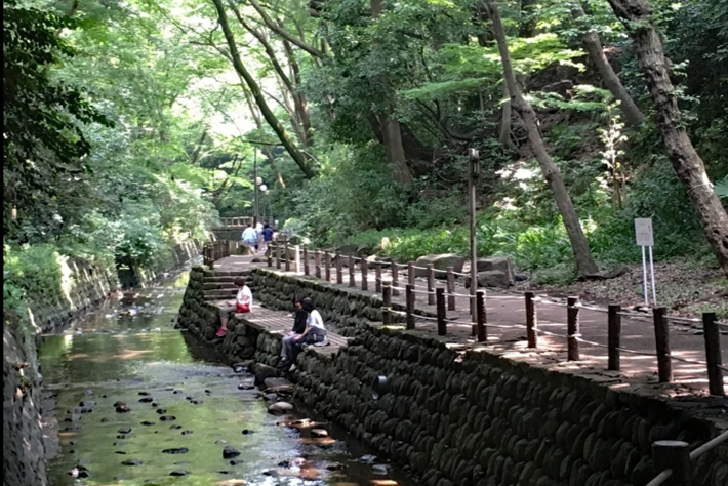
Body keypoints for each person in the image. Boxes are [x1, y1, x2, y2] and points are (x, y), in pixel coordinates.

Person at [288, 297, 327, 370]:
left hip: (317, 335)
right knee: (294, 340)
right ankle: (291, 361)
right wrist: (301, 335)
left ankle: (294, 363)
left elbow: (310, 327)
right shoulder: (310, 313)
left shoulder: (313, 314)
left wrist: (301, 336)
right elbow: (308, 326)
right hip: (312, 334)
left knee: (296, 342)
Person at [278, 294, 308, 368]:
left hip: (303, 333)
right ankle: (284, 356)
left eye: (298, 302)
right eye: (295, 302)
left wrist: (294, 332)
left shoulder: (306, 312)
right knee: (284, 338)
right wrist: (292, 330)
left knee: (288, 340)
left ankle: (291, 358)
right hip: (297, 332)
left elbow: (303, 325)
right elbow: (296, 324)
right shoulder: (298, 312)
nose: (297, 304)